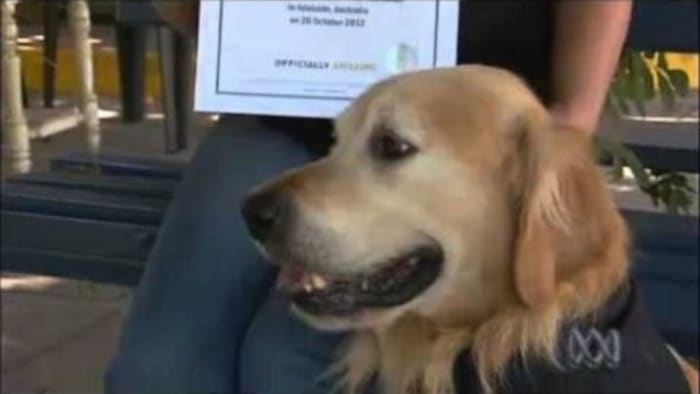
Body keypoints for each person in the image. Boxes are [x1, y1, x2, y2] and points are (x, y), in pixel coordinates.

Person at [105, 1, 633, 393]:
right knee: (155, 370)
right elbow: (197, 15)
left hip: (473, 128)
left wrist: (570, 124)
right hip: (282, 105)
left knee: (286, 367)